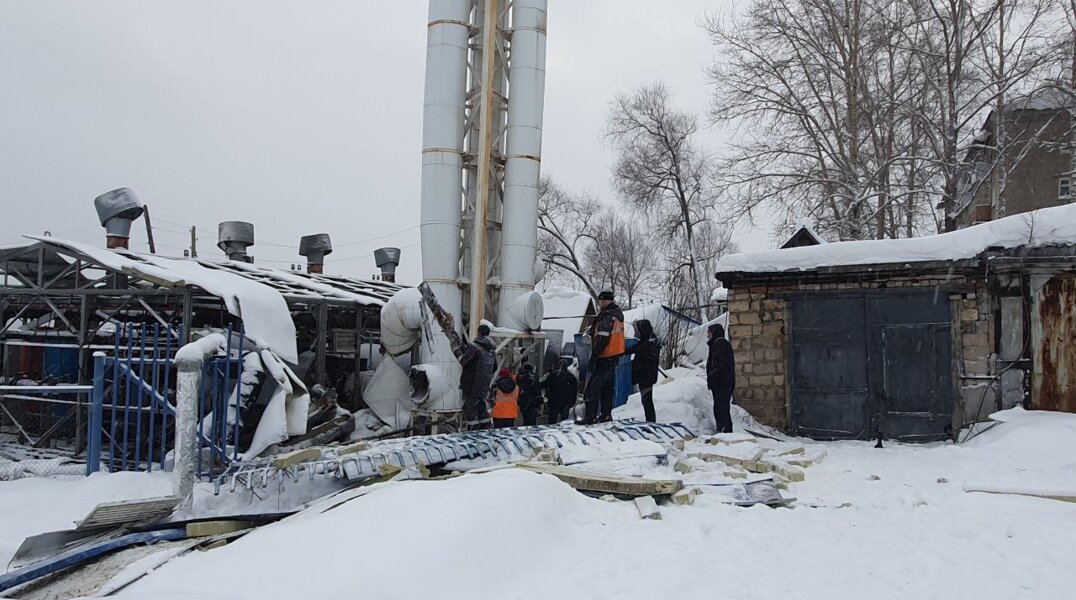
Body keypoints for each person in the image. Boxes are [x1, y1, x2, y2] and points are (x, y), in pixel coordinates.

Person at [579, 289, 625, 424]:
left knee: (593, 388)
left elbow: (603, 338)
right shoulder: (616, 314)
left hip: (604, 356)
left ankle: (590, 417)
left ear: (604, 301)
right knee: (607, 389)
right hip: (613, 356)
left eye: (600, 301)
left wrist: (594, 355)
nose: (598, 304)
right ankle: (605, 414)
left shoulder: (607, 316)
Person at [457, 324, 497, 429]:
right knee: (482, 409)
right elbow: (495, 366)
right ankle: (486, 431)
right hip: (484, 386)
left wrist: (455, 349)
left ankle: (472, 436)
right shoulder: (492, 350)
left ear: (478, 333)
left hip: (472, 385)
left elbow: (463, 361)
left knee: (470, 411)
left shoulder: (475, 347)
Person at [627, 318, 661, 422]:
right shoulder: (648, 342)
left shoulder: (648, 345)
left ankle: (651, 421)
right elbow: (634, 349)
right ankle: (650, 421)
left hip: (646, 377)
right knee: (646, 400)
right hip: (646, 376)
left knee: (647, 401)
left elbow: (640, 353)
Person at [706, 323, 735, 434]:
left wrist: (713, 377)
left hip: (722, 384)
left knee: (721, 408)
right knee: (721, 407)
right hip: (722, 383)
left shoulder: (720, 345)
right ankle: (723, 430)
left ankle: (724, 431)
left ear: (714, 332)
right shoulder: (719, 344)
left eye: (709, 332)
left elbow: (719, 365)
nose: (707, 335)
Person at [543, 359, 578, 424]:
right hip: (565, 401)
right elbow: (574, 390)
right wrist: (572, 402)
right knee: (564, 421)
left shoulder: (553, 374)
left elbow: (544, 384)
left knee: (552, 420)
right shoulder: (571, 377)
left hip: (554, 400)